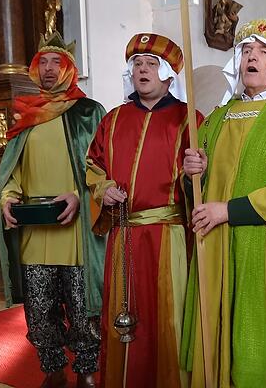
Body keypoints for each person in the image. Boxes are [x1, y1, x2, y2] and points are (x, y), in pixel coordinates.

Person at [181, 19, 266, 387]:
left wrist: (228, 210)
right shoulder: (216, 118)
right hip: (216, 247)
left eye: (263, 51)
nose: (252, 58)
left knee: (262, 346)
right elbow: (199, 187)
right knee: (218, 337)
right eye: (246, 51)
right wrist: (193, 171)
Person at [86, 33, 201, 387]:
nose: (143, 70)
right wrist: (103, 190)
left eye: (151, 64)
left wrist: (197, 172)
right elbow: (93, 165)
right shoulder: (114, 119)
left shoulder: (189, 120)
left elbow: (202, 182)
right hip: (124, 235)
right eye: (137, 64)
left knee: (168, 319)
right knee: (125, 320)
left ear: (168, 74)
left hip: (168, 238)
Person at [0, 32, 105, 388]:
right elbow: (13, 171)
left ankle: (86, 368)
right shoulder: (25, 114)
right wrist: (8, 198)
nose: (47, 69)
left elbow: (102, 166)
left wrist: (77, 194)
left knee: (80, 303)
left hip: (75, 227)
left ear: (69, 68)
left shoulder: (88, 112)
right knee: (39, 307)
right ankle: (53, 368)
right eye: (41, 62)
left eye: (55, 62)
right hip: (35, 228)